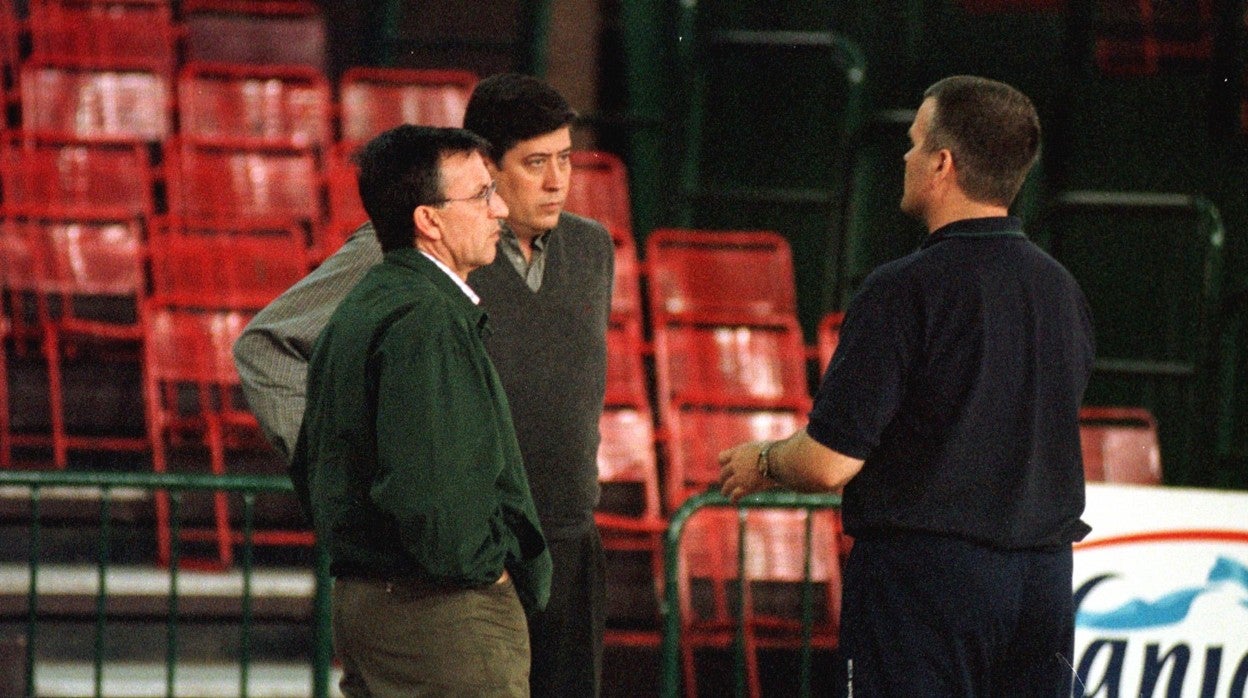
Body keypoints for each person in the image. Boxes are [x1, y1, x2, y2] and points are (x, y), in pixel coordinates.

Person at [233, 74, 614, 696]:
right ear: (483, 167)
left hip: (563, 545)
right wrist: (340, 463)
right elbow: (267, 345)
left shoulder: (594, 249)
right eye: (536, 163)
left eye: (567, 160)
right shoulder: (410, 251)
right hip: (459, 566)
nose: (557, 181)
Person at [718, 75, 1095, 697]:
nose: (905, 157)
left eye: (915, 143)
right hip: (1045, 584)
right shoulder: (1062, 291)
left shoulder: (903, 289)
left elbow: (829, 461)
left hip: (926, 585)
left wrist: (761, 461)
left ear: (942, 164)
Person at [291, 124, 551, 696]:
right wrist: (492, 569)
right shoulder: (428, 320)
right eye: (482, 194)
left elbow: (312, 461)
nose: (501, 209)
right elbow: (437, 503)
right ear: (428, 220)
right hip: (445, 617)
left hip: (371, 604)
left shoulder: (364, 306)